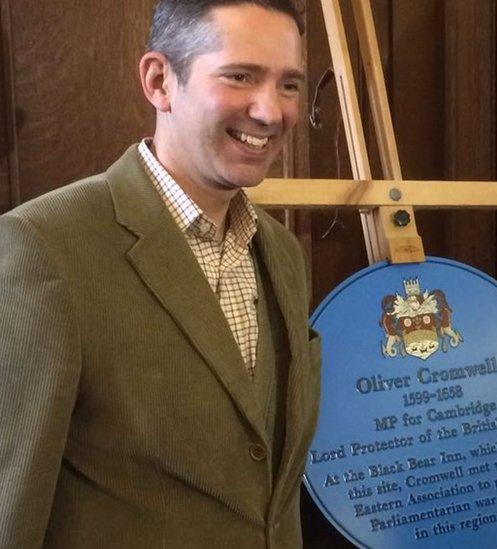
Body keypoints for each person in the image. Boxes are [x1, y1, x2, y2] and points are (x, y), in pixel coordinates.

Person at [0, 1, 320, 546]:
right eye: (240, 76)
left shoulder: (283, 253)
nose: (270, 112)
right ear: (159, 80)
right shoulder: (43, 246)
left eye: (289, 85)